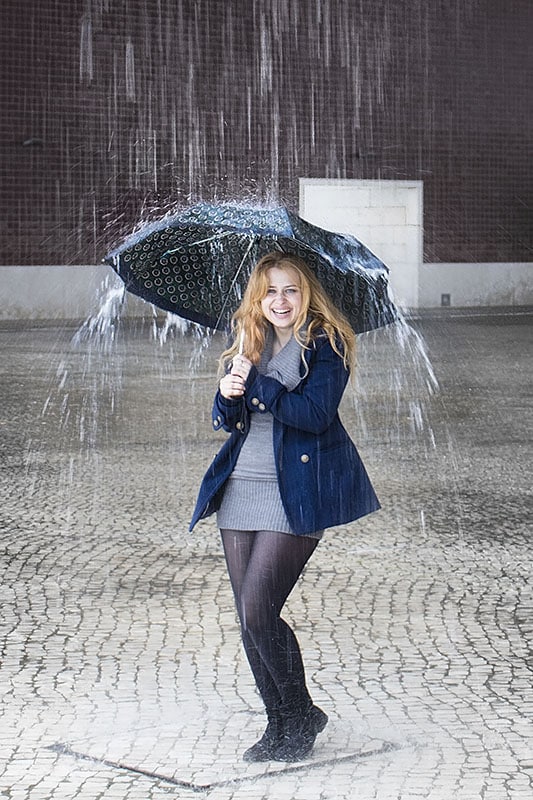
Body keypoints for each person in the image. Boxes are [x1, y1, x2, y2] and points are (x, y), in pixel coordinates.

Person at [190, 251, 380, 762]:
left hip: (295, 491)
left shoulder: (326, 343)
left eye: (290, 290)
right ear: (259, 296)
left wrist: (255, 383)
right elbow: (229, 419)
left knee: (259, 608)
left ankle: (302, 714)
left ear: (306, 293)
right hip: (240, 488)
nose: (280, 300)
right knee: (249, 618)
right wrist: (227, 393)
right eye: (270, 291)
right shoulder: (249, 341)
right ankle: (279, 722)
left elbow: (314, 414)